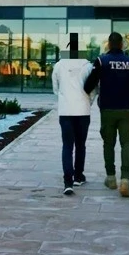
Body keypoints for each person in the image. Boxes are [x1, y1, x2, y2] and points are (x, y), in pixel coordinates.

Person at [84, 32, 129, 197]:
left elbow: (89, 85)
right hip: (126, 109)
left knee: (108, 144)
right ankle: (125, 180)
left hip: (107, 109)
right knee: (127, 144)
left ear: (109, 44)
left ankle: (111, 178)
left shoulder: (101, 61)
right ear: (122, 44)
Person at [52, 52, 93, 195]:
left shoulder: (58, 66)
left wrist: (64, 98)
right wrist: (88, 101)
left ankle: (68, 182)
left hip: (65, 111)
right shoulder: (88, 66)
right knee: (81, 144)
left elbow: (55, 88)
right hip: (83, 110)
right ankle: (78, 176)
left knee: (67, 146)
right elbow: (93, 88)